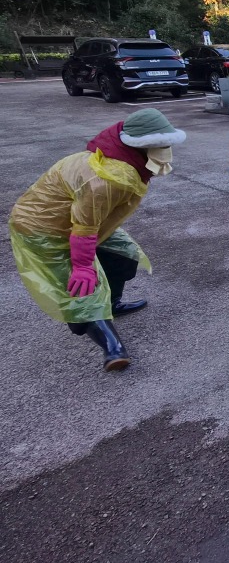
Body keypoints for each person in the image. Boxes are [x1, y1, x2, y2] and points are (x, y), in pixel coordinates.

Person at [8, 109, 185, 371]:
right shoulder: (108, 177)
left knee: (124, 255)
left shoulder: (121, 160)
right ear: (140, 146)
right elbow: (84, 227)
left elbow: (89, 220)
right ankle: (112, 349)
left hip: (84, 221)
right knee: (84, 287)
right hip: (43, 228)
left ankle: (111, 304)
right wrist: (82, 265)